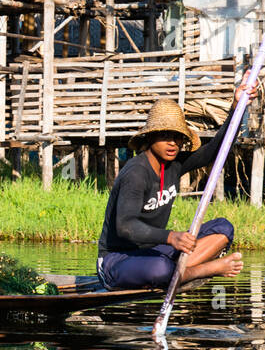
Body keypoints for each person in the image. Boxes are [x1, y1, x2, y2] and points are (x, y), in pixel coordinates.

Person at [97, 82, 256, 291]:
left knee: (223, 228)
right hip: (117, 261)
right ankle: (202, 270)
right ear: (150, 136)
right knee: (160, 268)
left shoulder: (174, 164)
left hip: (156, 251)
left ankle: (176, 272)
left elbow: (216, 150)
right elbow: (126, 226)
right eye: (165, 136)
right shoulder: (136, 173)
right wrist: (171, 237)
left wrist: (238, 107)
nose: (172, 143)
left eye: (177, 137)